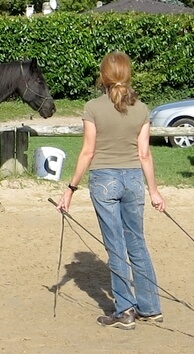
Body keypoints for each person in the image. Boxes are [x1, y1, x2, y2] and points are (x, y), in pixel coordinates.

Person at [56, 51, 166, 330]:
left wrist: (70, 189)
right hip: (133, 181)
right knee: (137, 243)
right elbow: (144, 154)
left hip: (104, 180)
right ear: (128, 75)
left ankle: (125, 310)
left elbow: (87, 152)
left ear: (103, 76)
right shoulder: (141, 108)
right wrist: (154, 191)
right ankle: (150, 307)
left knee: (116, 246)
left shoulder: (93, 107)